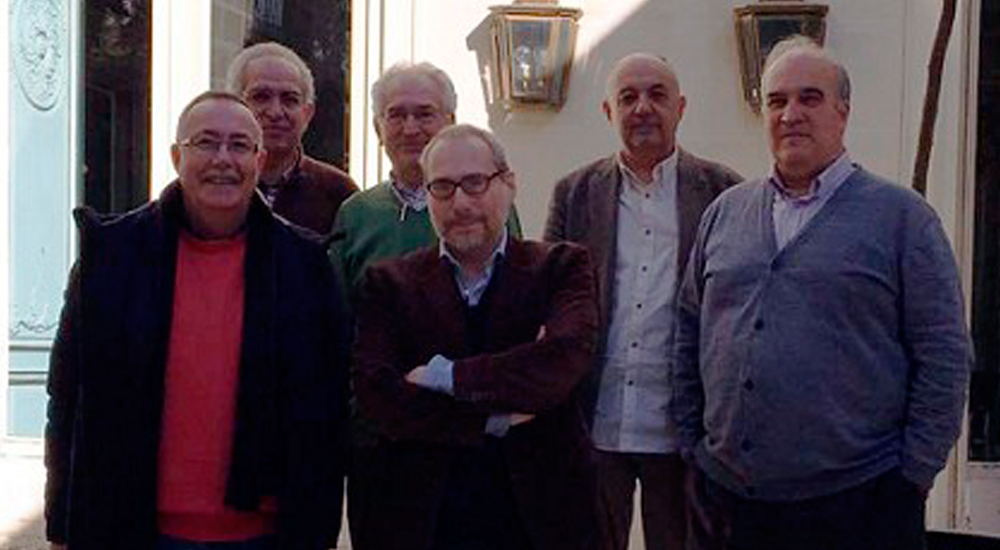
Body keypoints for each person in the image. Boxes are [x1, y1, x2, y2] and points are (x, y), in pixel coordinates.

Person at [672, 36, 971, 550]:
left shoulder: (902, 219)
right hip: (729, 504)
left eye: (809, 98)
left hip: (860, 505)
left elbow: (944, 353)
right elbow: (688, 331)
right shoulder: (725, 213)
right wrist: (692, 448)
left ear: (843, 113)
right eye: (777, 101)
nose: (791, 115)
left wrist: (913, 474)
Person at [44, 91, 348, 550]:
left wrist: (318, 531)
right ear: (176, 156)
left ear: (259, 160)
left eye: (239, 145)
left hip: (264, 536)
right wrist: (60, 525)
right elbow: (68, 394)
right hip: (134, 528)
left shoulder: (305, 265)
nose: (223, 159)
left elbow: (327, 411)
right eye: (206, 142)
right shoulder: (112, 256)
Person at [351, 124, 605, 550]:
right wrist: (494, 418)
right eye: (443, 187)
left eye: (475, 183)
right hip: (425, 518)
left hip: (543, 517)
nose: (461, 203)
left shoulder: (561, 268)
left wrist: (443, 377)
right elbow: (378, 396)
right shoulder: (389, 285)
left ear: (509, 184)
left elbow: (560, 364)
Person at [544, 52, 740, 550]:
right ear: (609, 112)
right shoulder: (573, 194)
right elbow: (548, 301)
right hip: (595, 421)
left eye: (657, 95)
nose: (643, 108)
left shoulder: (725, 193)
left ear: (681, 107)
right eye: (628, 97)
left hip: (682, 429)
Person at [329, 61, 521, 306]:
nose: (410, 129)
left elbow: (516, 295)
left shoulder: (488, 203)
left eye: (424, 114)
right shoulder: (355, 215)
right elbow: (338, 313)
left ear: (450, 123)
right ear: (378, 129)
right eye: (396, 115)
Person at [226, 41, 357, 237]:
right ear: (235, 106)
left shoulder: (339, 194)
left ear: (308, 113)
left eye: (289, 99)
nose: (275, 112)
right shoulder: (212, 185)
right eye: (261, 97)